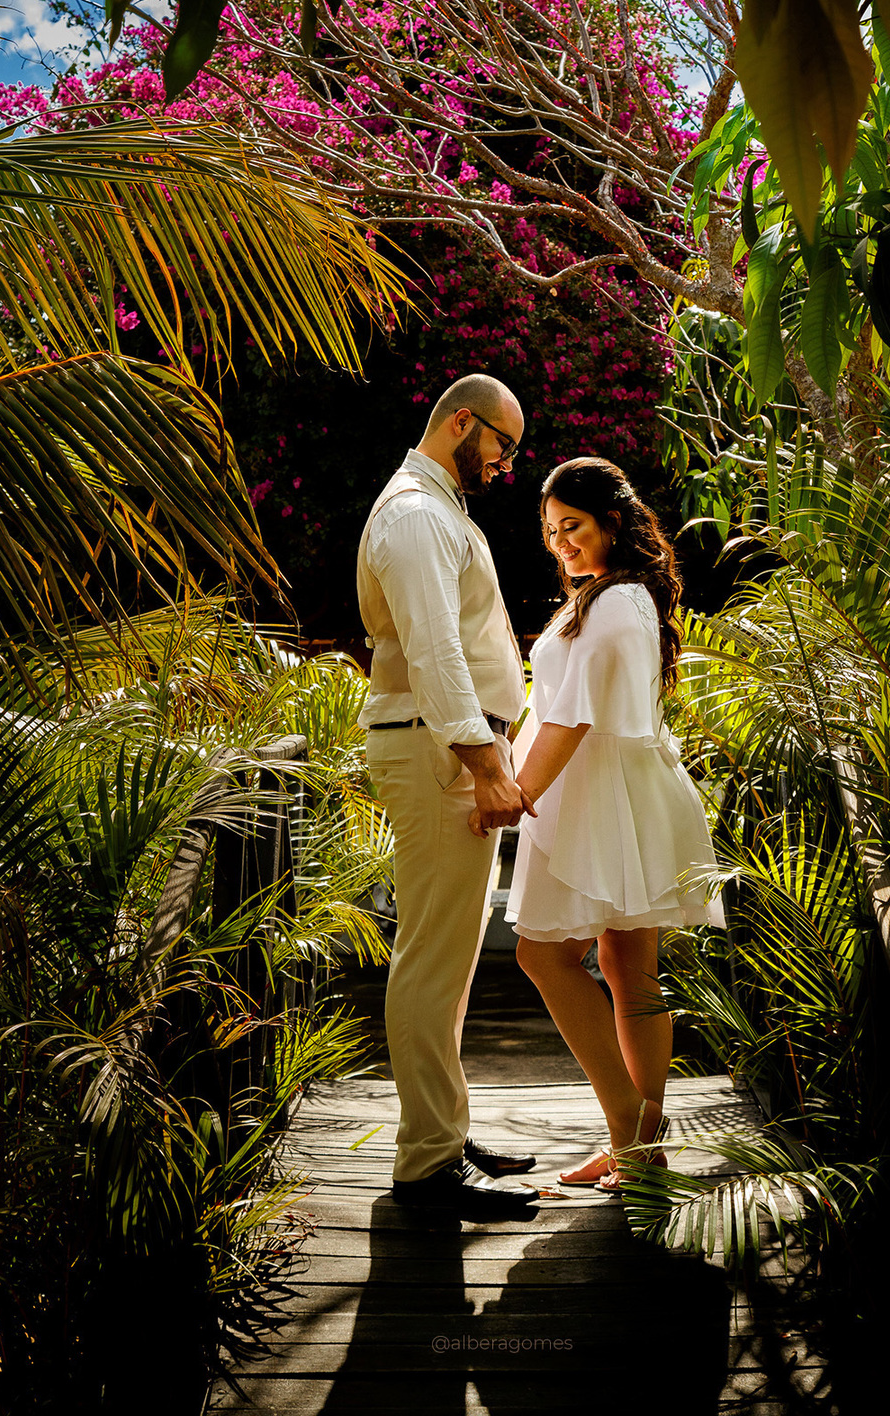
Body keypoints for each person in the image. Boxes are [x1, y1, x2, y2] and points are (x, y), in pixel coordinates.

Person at [506, 457, 724, 1190]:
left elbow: (573, 716)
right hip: (614, 791)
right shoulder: (612, 596)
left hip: (604, 793)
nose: (560, 542)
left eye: (572, 525)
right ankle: (640, 1146)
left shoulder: (617, 600)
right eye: (550, 531)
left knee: (546, 957)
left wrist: (516, 795)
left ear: (613, 522)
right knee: (629, 969)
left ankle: (632, 1128)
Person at [357, 375, 540, 1220]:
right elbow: (434, 654)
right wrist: (485, 763)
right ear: (462, 422)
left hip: (450, 749)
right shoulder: (416, 515)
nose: (507, 463)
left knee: (451, 959)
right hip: (439, 753)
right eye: (502, 443)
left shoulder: (439, 509)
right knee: (433, 957)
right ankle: (427, 1167)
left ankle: (443, 1131)